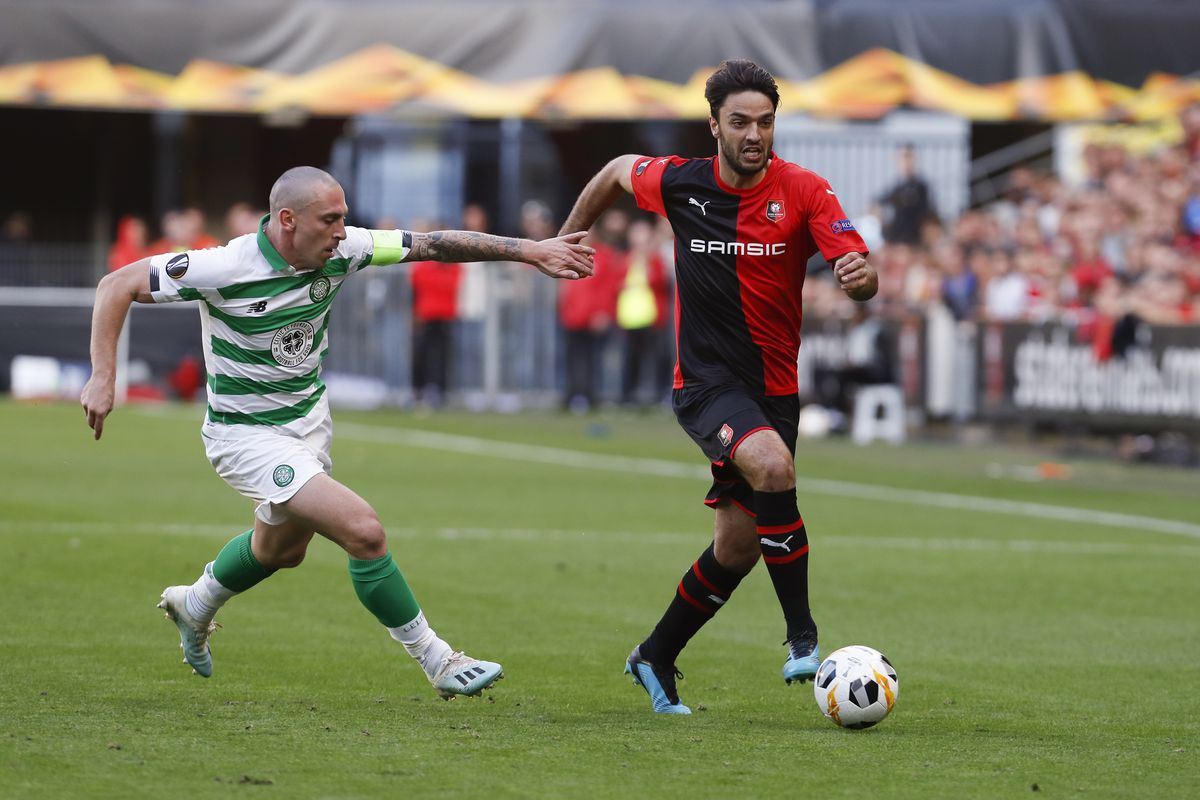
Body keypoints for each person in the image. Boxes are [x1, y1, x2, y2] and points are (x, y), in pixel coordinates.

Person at [81, 166, 594, 698]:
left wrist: (530, 250)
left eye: (345, 218)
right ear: (287, 220)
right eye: (330, 220)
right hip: (245, 437)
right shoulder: (226, 264)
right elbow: (117, 284)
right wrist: (103, 376)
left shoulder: (345, 248)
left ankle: (196, 604)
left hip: (308, 426)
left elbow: (435, 245)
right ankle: (439, 660)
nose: (342, 231)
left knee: (281, 550)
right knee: (363, 530)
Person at [559, 60, 877, 714]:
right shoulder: (680, 183)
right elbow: (618, 167)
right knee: (773, 464)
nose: (754, 134)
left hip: (774, 391)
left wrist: (858, 277)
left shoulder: (807, 191)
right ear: (715, 126)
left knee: (736, 546)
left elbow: (861, 268)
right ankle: (802, 639)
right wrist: (567, 236)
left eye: (764, 121)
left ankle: (655, 654)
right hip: (706, 385)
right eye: (740, 122)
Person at [879, 145, 934, 246]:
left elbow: (925, 211)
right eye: (903, 158)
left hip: (913, 237)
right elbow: (881, 201)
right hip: (896, 237)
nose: (906, 162)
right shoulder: (897, 186)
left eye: (908, 157)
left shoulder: (920, 186)